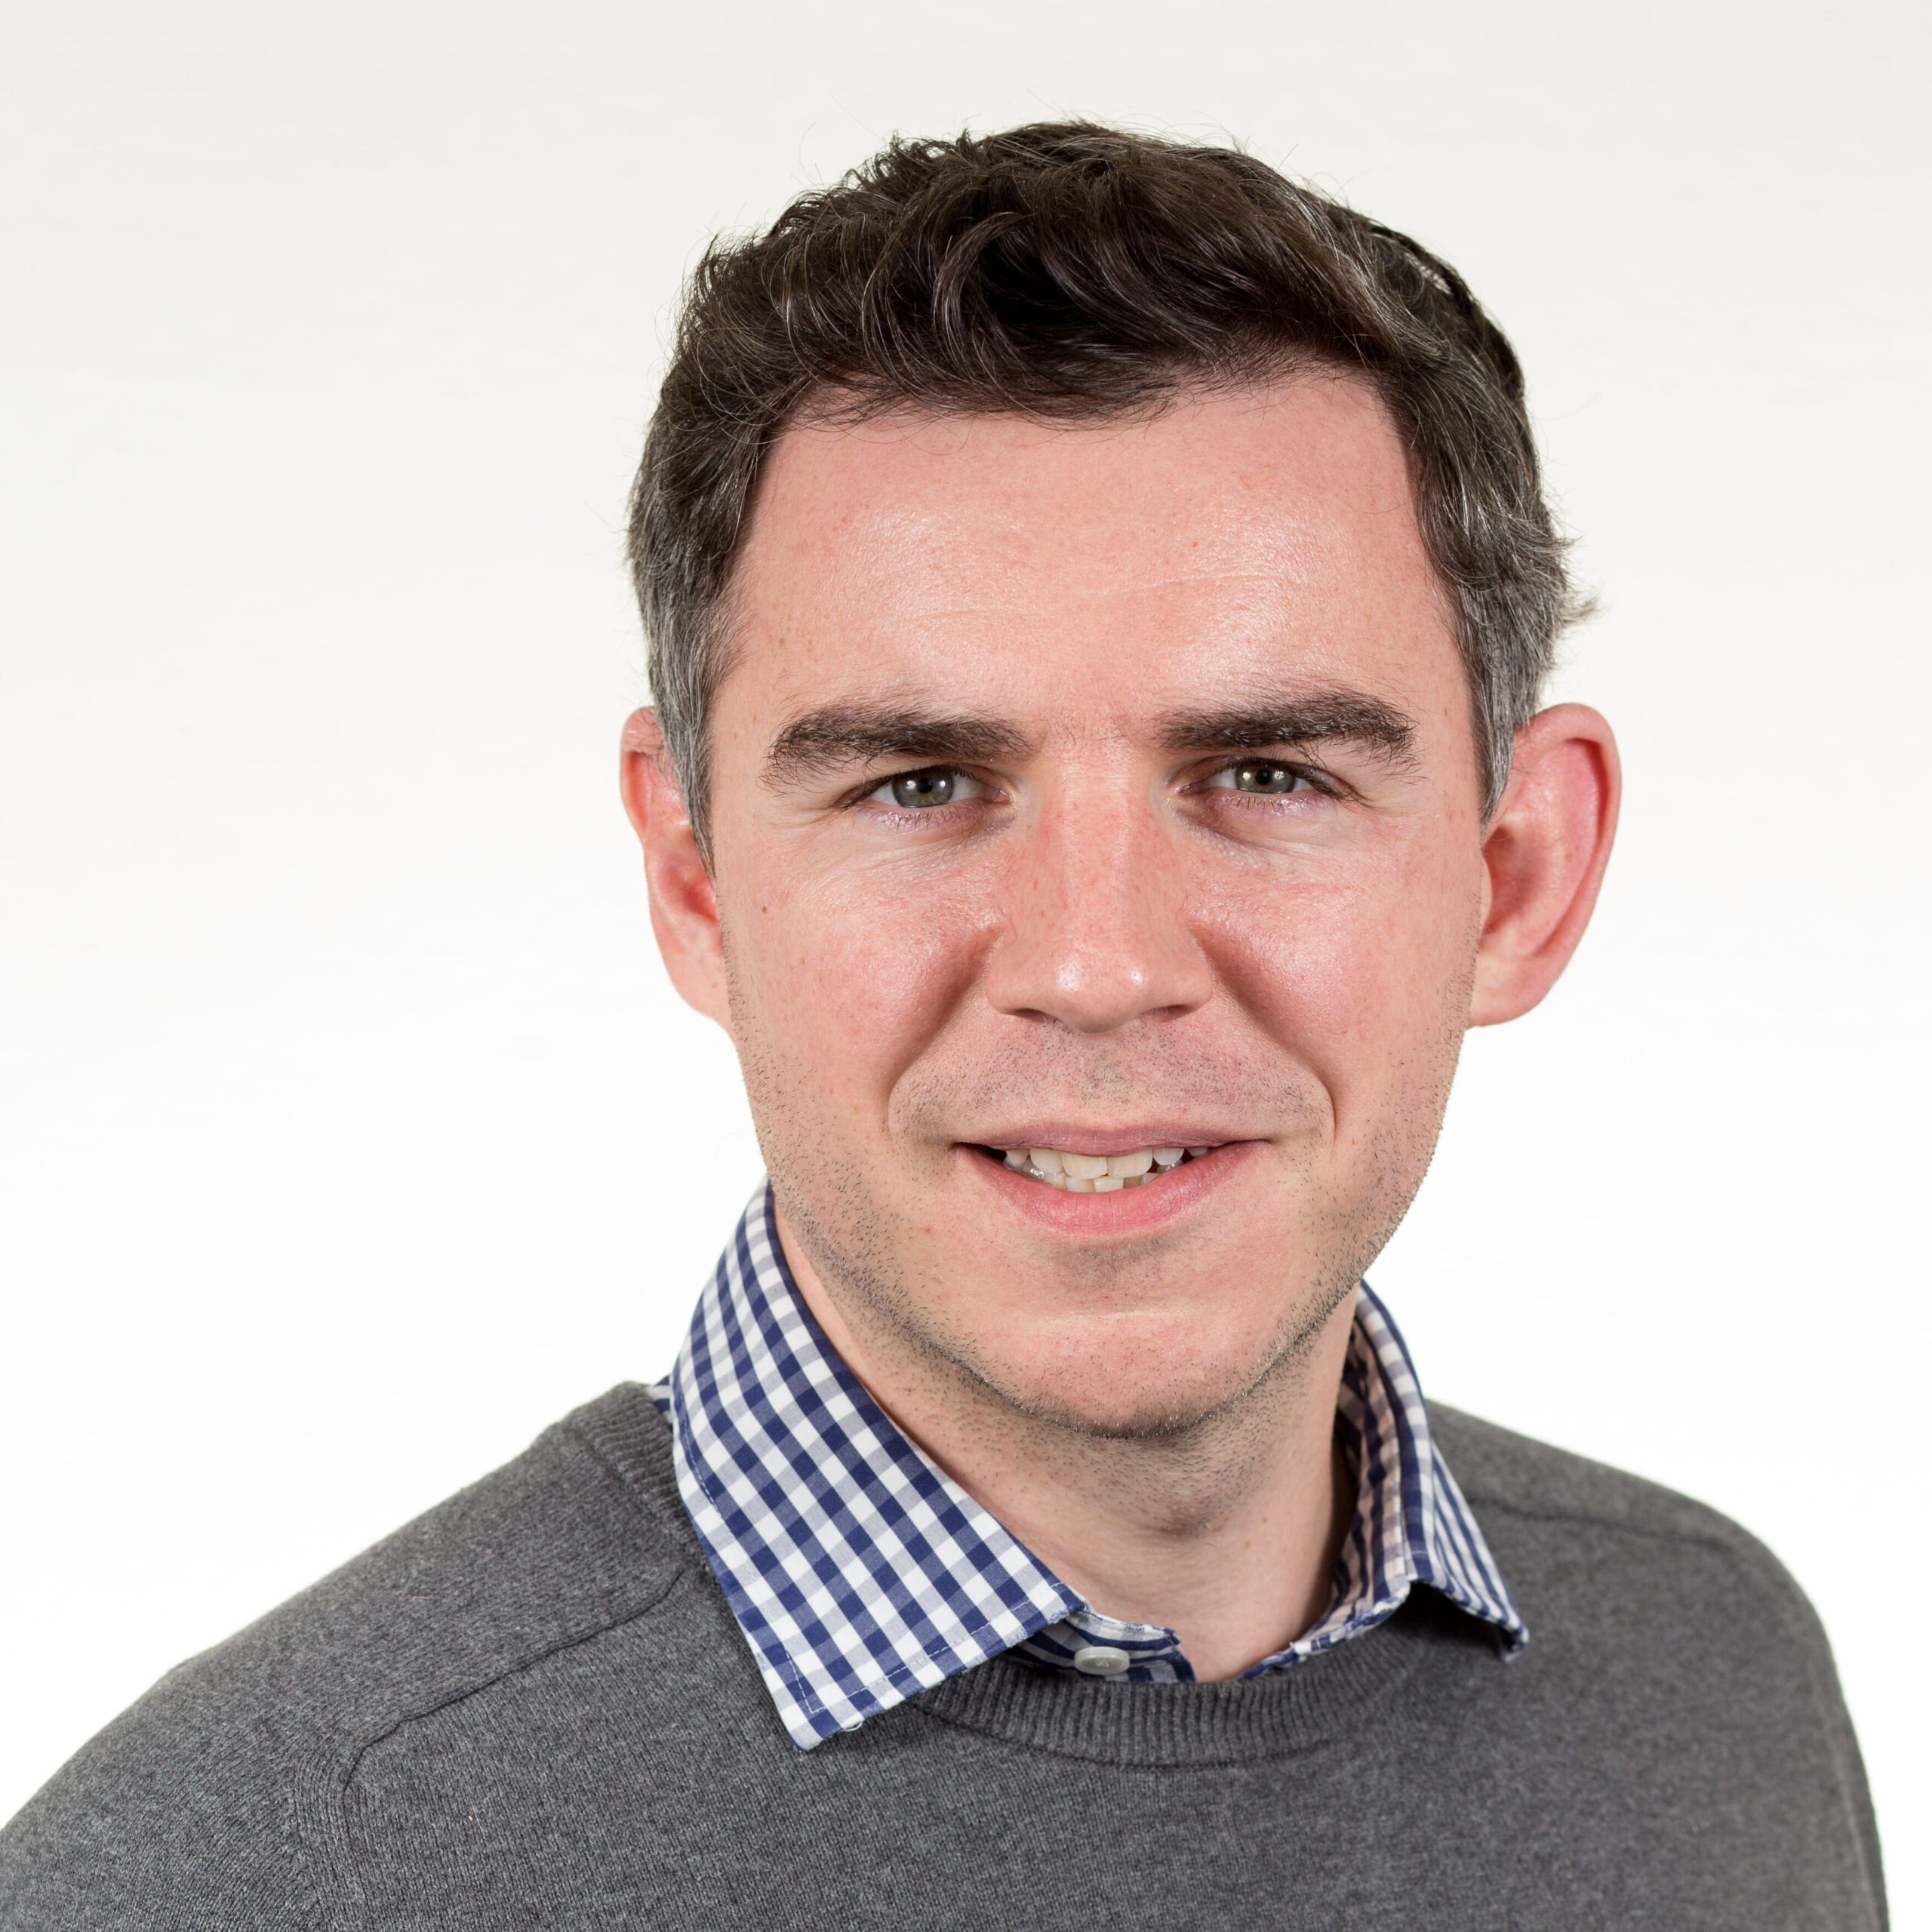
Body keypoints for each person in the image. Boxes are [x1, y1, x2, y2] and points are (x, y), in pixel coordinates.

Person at [0, 122, 1886, 1930]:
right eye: (916, 780)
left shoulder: (1712, 1680)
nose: (1093, 961)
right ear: (697, 878)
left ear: (1518, 871)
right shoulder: (242, 1872)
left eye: (1262, 769)